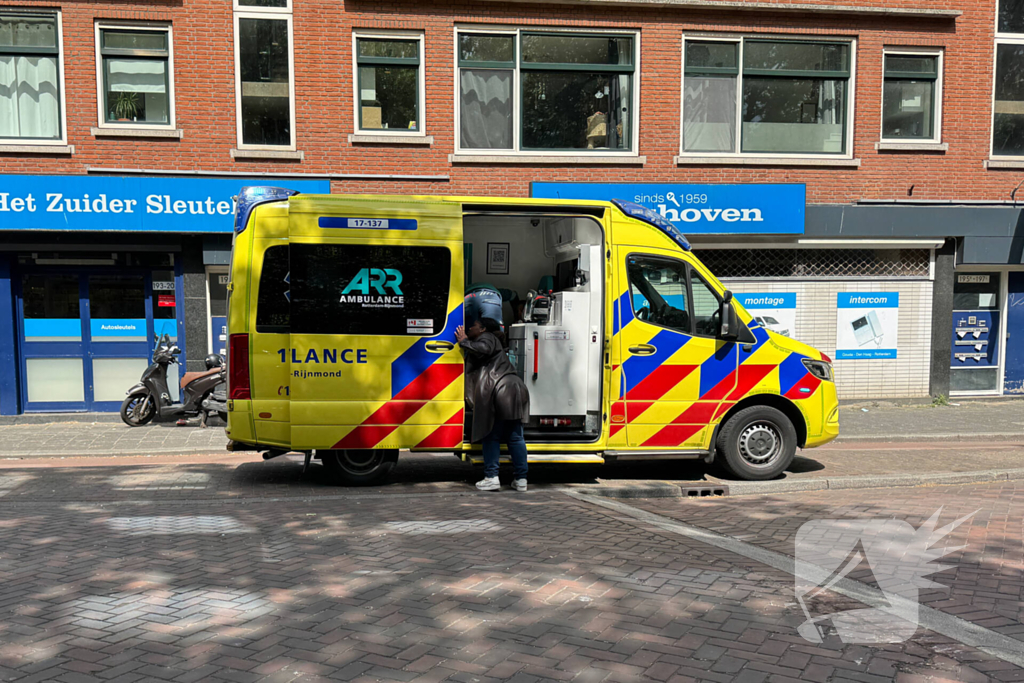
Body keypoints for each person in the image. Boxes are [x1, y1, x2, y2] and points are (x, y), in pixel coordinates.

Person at [455, 316, 530, 492]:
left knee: (491, 435)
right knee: (515, 437)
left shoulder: (487, 337)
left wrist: (464, 341)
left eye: (472, 326)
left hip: (500, 389)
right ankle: (521, 480)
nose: (469, 329)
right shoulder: (494, 340)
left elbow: (484, 348)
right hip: (515, 387)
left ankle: (491, 477)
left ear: (482, 329)